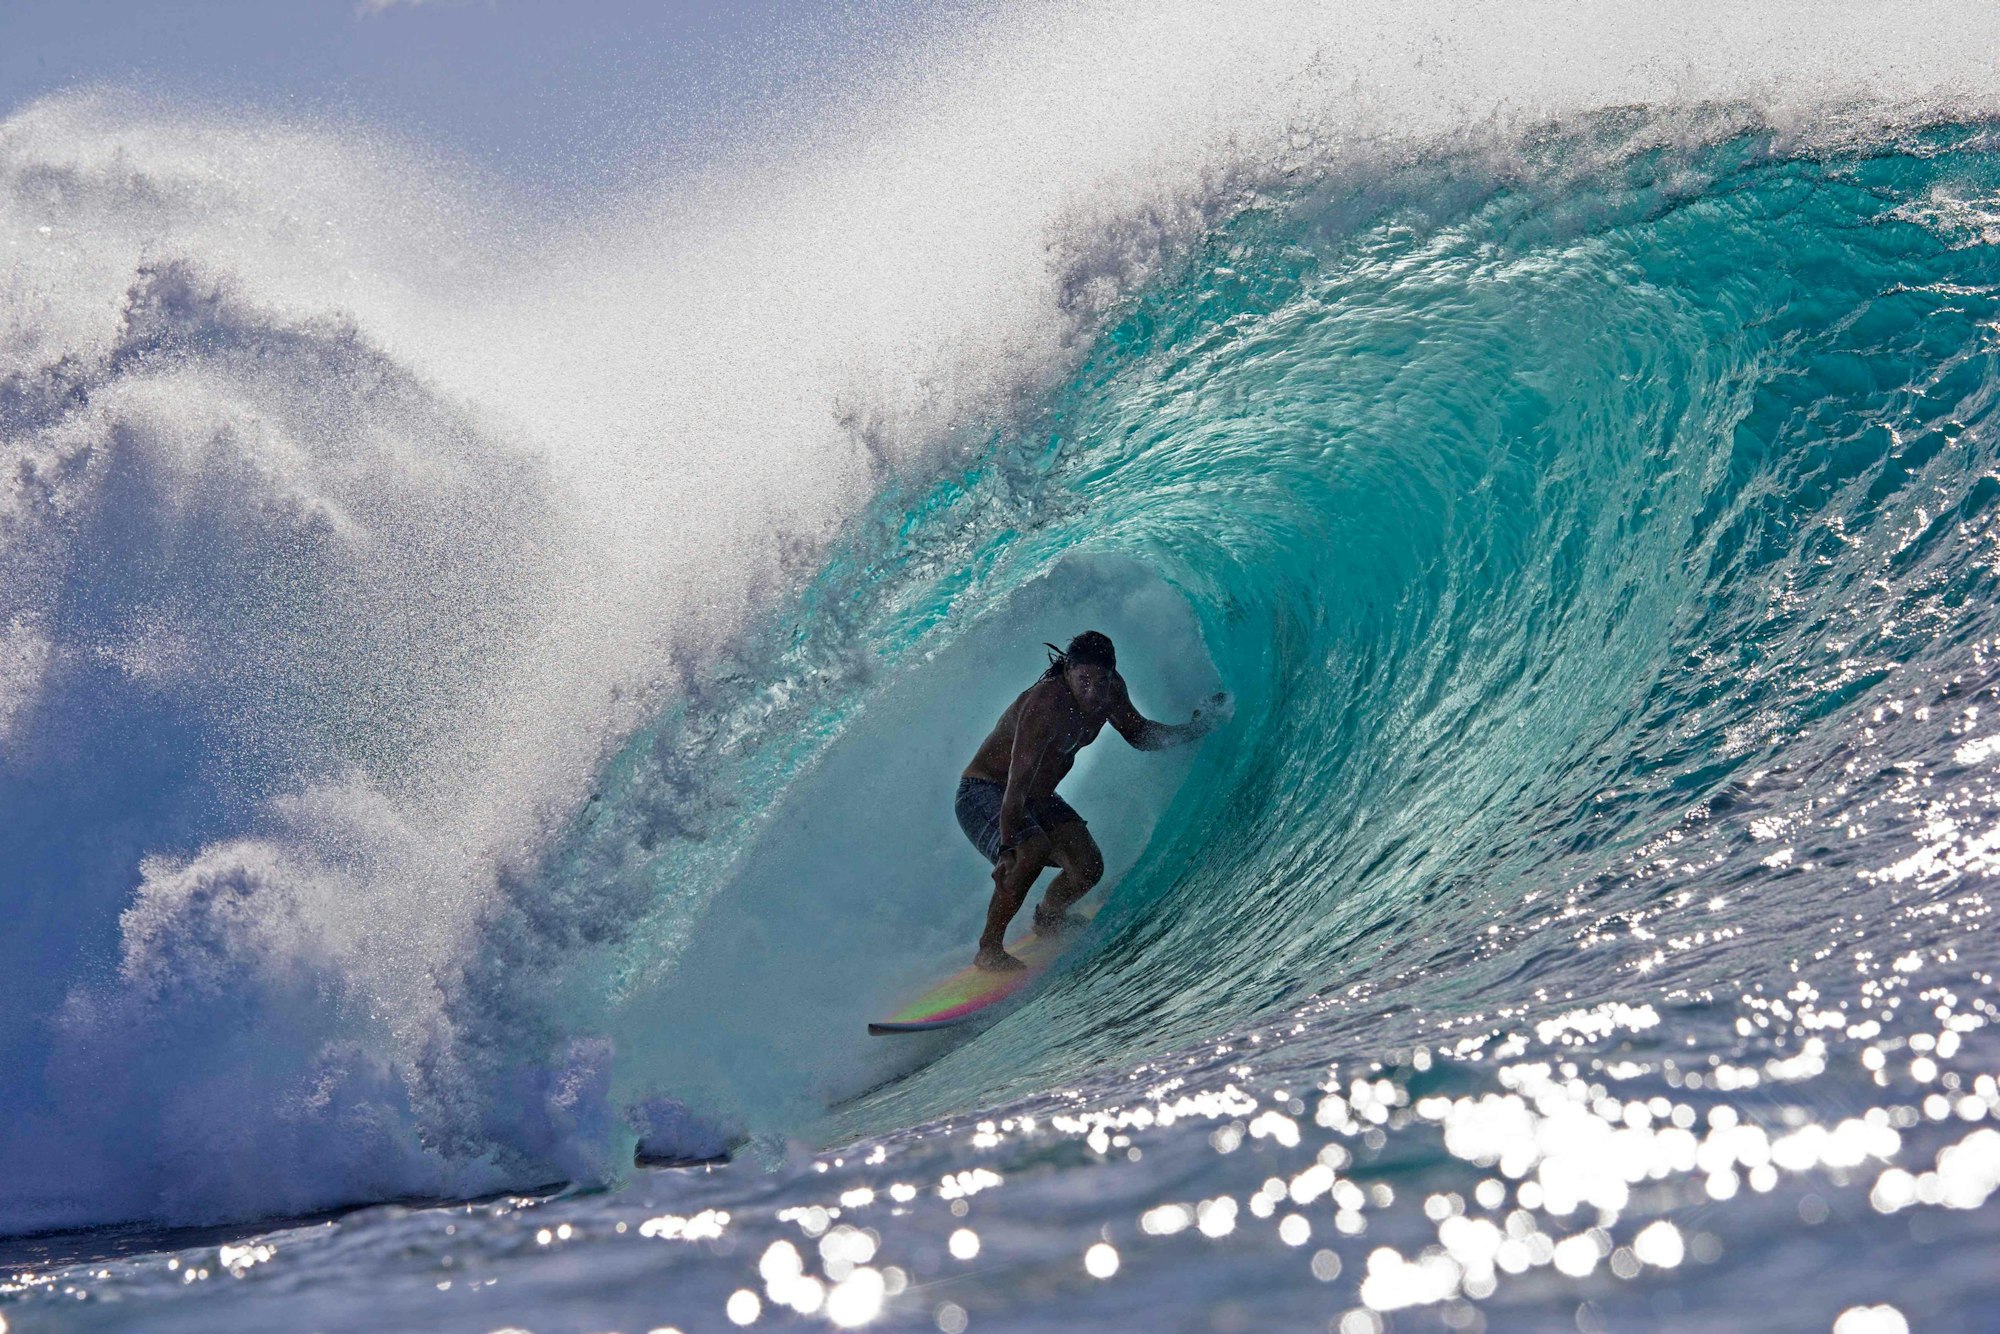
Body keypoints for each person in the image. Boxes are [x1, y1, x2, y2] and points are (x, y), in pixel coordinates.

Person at [954, 631, 1226, 970]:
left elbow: (1139, 735)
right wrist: (1007, 849)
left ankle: (1048, 919)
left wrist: (1191, 730)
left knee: (1087, 867)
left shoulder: (1110, 693)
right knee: (1031, 850)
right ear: (1068, 671)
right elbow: (1015, 787)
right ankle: (988, 950)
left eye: (1102, 680)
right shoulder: (1044, 705)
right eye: (1084, 680)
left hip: (1037, 797)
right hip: (987, 791)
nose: (1093, 691)